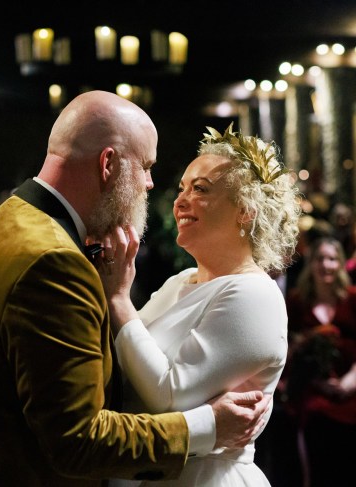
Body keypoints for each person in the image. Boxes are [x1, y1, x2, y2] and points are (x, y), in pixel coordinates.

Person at [0, 92, 269, 487]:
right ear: (109, 164)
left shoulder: (13, 217)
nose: (151, 184)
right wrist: (207, 426)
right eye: (145, 167)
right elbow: (78, 440)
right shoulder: (53, 260)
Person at [99, 123, 302, 486]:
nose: (180, 201)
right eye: (181, 189)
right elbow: (123, 359)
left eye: (201, 190)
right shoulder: (180, 281)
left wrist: (118, 298)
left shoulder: (254, 295)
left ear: (246, 210)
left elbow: (170, 399)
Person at [285, 236, 356, 487]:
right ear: (311, 263)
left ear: (340, 263)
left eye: (332, 259)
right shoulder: (296, 301)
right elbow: (287, 349)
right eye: (320, 259)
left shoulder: (352, 298)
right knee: (317, 418)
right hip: (312, 388)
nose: (326, 264)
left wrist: (349, 381)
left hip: (350, 387)